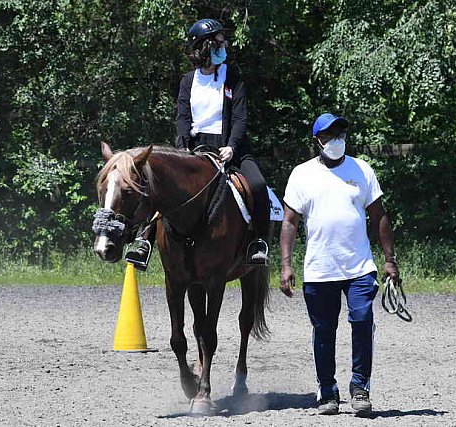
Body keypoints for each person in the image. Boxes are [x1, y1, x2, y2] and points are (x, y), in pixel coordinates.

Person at [279, 113, 400, 416]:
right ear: (317, 140)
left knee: (361, 321)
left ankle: (360, 387)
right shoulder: (301, 174)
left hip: (359, 266)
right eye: (330, 135)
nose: (337, 141)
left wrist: (389, 260)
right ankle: (327, 391)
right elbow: (290, 223)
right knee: (324, 330)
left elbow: (379, 216)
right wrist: (286, 265)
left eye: (341, 134)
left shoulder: (362, 170)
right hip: (320, 268)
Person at [129, 18, 271, 269]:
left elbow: (240, 116)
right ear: (203, 47)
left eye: (222, 41)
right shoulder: (187, 81)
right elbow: (182, 118)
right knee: (160, 185)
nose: (223, 45)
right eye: (218, 42)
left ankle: (257, 243)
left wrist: (232, 146)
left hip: (230, 148)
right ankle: (144, 240)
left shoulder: (232, 76)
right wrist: (182, 147)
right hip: (195, 150)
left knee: (258, 185)